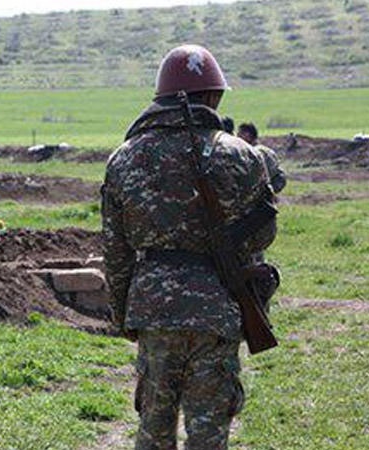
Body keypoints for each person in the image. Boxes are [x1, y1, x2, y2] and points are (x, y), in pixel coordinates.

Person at [101, 44, 277, 450]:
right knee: (209, 435)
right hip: (218, 308)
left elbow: (116, 250)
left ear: (160, 97)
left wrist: (124, 314)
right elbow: (263, 235)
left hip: (152, 309)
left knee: (154, 429)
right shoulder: (242, 155)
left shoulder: (124, 159)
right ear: (214, 96)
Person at [238, 122, 287, 194]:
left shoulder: (256, 152)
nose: (238, 137)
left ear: (248, 135)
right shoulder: (264, 150)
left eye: (240, 134)